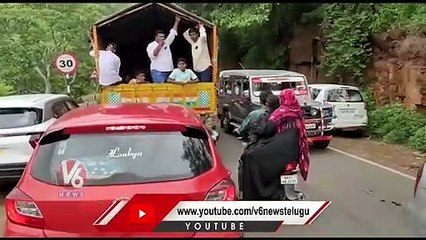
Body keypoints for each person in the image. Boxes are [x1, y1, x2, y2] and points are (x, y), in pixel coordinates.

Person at [239, 89, 310, 200]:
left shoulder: (281, 112)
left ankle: (259, 193)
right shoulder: (298, 111)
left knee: (250, 157)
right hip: (294, 150)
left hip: (282, 148)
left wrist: (259, 132)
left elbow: (267, 129)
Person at [146, 16, 180, 83]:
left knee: (170, 89)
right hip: (157, 70)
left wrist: (177, 21)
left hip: (169, 69)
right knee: (161, 88)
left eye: (163, 36)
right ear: (156, 37)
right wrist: (159, 46)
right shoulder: (151, 45)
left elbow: (173, 32)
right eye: (160, 37)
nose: (162, 38)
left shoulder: (166, 42)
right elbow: (153, 55)